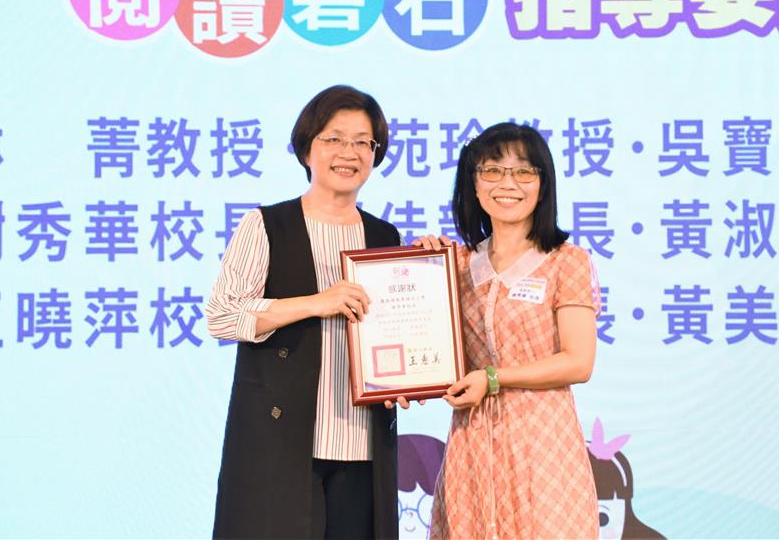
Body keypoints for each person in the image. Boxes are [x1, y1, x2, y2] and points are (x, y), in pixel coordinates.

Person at [206, 85, 404, 540]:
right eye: (334, 139)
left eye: (362, 142)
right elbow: (221, 315)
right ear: (307, 147)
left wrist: (410, 378)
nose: (348, 153)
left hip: (362, 443)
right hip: (282, 442)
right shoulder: (265, 225)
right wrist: (316, 302)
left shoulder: (385, 236)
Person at [425, 122, 601, 539]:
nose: (508, 183)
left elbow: (579, 362)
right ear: (473, 184)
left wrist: (493, 378)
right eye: (492, 170)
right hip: (472, 445)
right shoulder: (457, 265)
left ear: (543, 184)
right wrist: (419, 269)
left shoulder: (566, 261)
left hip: (543, 446)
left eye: (524, 171)